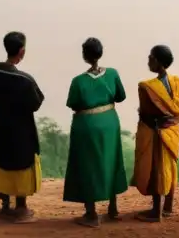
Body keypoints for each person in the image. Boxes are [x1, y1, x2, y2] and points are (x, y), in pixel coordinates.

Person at [0, 32, 45, 224]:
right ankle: (21, 206)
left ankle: (4, 203)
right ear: (22, 51)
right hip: (20, 129)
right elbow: (37, 103)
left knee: (0, 158)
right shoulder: (25, 80)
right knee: (21, 162)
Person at [63, 37, 129, 228]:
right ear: (101, 53)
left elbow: (73, 104)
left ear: (84, 56)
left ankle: (91, 214)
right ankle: (113, 208)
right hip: (109, 121)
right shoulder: (113, 74)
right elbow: (121, 96)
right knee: (111, 160)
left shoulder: (78, 81)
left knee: (88, 165)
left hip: (87, 125)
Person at [131, 45, 179, 222]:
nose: (148, 60)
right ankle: (168, 206)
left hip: (156, 132)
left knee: (157, 169)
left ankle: (156, 212)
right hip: (172, 131)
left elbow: (146, 112)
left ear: (157, 61)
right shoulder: (178, 83)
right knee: (170, 167)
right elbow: (177, 111)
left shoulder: (146, 87)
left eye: (150, 57)